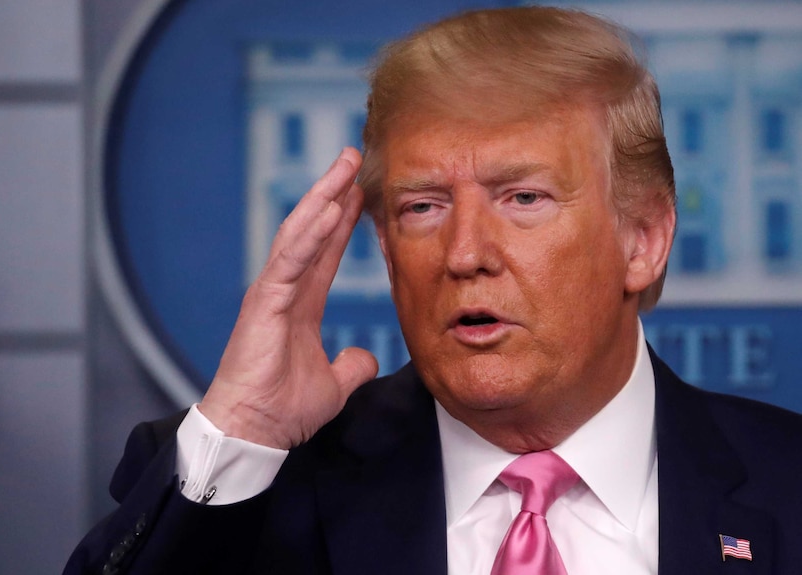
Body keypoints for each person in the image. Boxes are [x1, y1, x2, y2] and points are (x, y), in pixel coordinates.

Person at [65, 6, 802, 575]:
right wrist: (246, 422)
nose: (465, 253)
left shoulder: (787, 483)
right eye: (423, 207)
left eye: (523, 198)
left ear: (642, 239)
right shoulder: (255, 491)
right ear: (386, 249)